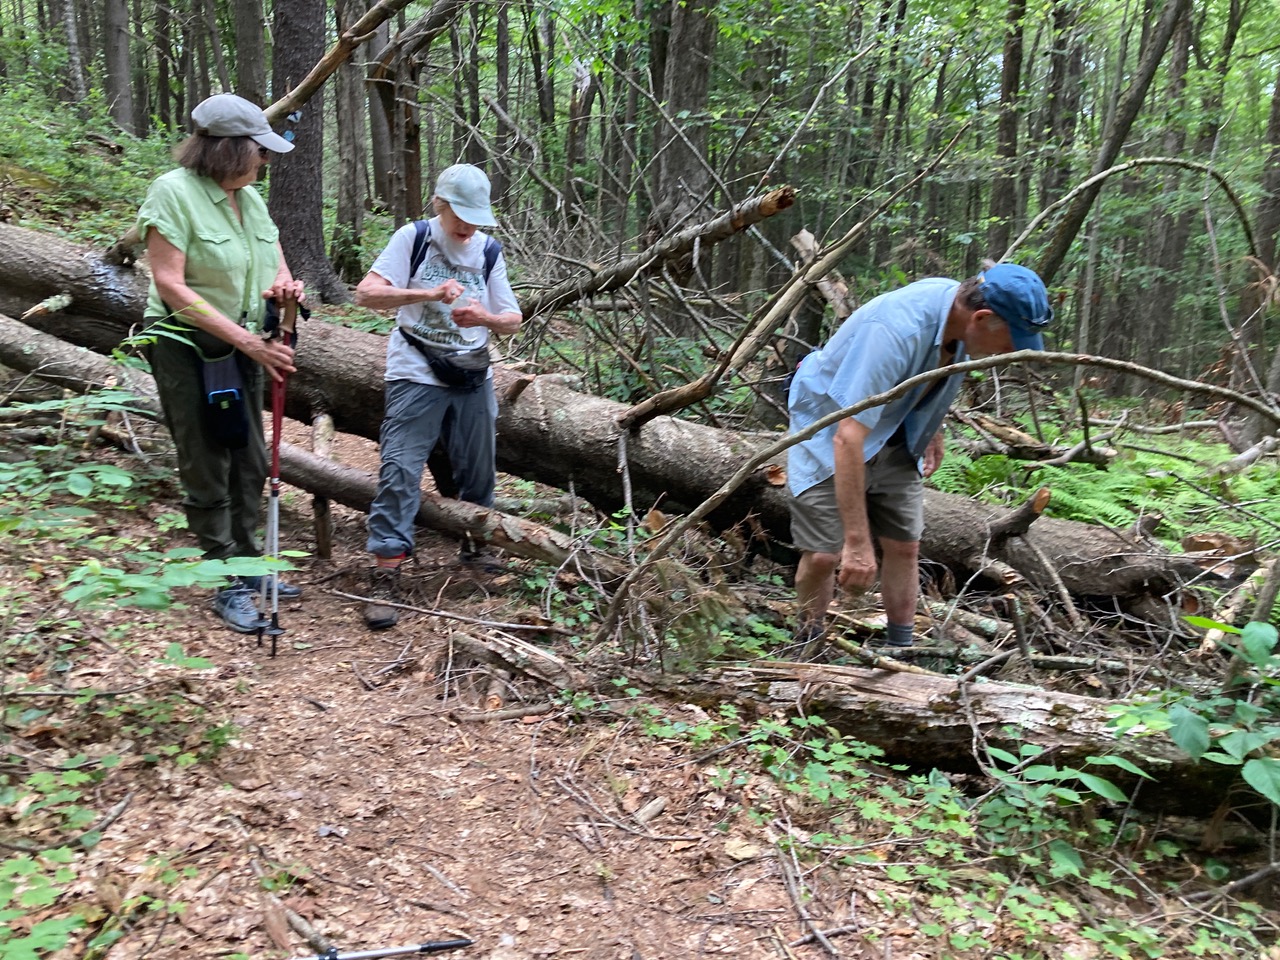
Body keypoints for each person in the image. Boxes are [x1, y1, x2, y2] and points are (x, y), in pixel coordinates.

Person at [786, 263, 1053, 653]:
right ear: (983, 318)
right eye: (1011, 341)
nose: (1011, 353)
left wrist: (932, 424)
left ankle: (902, 651)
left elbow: (930, 371)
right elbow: (847, 436)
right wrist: (858, 544)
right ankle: (806, 644)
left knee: (904, 545)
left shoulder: (957, 313)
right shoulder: (895, 330)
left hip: (897, 430)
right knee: (826, 553)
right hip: (830, 427)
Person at [136, 93, 307, 634]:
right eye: (260, 151)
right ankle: (221, 575)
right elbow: (169, 283)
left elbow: (275, 263)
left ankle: (250, 561)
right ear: (230, 150)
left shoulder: (250, 199)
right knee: (206, 459)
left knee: (250, 458)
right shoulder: (173, 194)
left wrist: (285, 291)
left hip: (245, 345)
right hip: (188, 347)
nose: (267, 161)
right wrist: (247, 342)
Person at [354, 164, 522, 630]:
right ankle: (386, 569)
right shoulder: (414, 238)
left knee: (479, 466)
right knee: (400, 467)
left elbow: (513, 317)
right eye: (459, 215)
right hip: (415, 369)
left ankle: (476, 543)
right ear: (440, 205)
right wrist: (427, 292)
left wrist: (482, 319)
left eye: (475, 217)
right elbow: (366, 295)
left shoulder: (488, 250)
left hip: (471, 372)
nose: (467, 226)